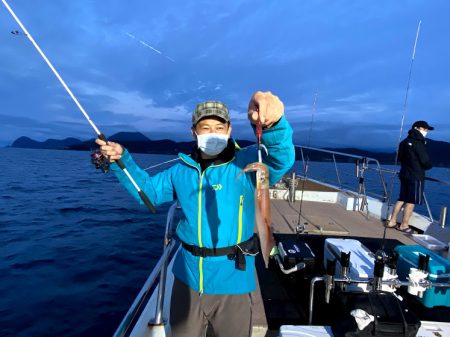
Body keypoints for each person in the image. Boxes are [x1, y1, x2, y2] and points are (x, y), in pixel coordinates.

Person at [95, 91, 295, 337]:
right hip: (187, 280)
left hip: (234, 279)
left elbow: (279, 160)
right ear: (194, 133)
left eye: (219, 127)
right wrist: (121, 160)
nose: (213, 133)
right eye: (205, 127)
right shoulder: (180, 172)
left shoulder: (247, 163)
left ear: (230, 130)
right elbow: (148, 194)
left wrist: (274, 124)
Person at [387, 120, 434, 233]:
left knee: (402, 198)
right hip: (416, 176)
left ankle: (392, 221)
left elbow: (399, 158)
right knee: (411, 201)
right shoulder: (419, 142)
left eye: (427, 129)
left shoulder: (403, 142)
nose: (426, 131)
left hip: (404, 174)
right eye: (424, 129)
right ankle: (404, 225)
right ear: (417, 128)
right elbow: (425, 161)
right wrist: (427, 166)